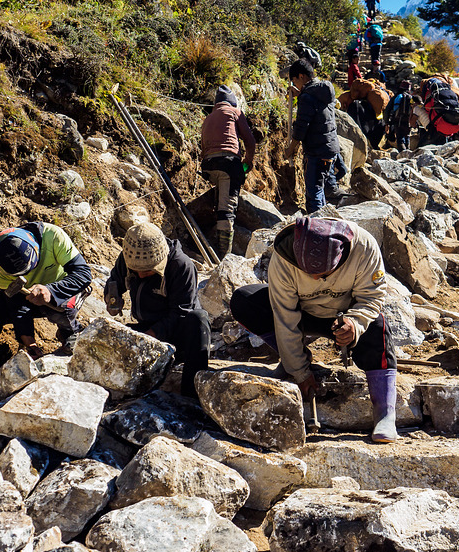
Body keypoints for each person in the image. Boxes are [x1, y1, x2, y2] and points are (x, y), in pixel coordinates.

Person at [230, 216, 399, 442]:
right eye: (307, 271)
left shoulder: (364, 247)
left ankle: (385, 413)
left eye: (323, 274)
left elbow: (372, 297)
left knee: (378, 326)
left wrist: (354, 324)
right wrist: (299, 371)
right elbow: (285, 316)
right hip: (303, 314)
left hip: (344, 316)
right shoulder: (284, 256)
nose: (314, 278)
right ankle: (291, 359)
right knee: (245, 301)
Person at [0, 222, 92, 379]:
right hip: (29, 296)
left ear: (35, 247)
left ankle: (70, 331)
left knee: (59, 306)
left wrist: (51, 291)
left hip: (65, 288)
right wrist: (27, 338)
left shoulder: (53, 236)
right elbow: (15, 303)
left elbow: (83, 274)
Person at [104, 222, 211, 398]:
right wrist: (111, 298)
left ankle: (191, 396)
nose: (140, 275)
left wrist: (148, 338)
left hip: (179, 333)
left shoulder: (181, 266)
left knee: (199, 319)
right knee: (107, 335)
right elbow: (115, 280)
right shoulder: (129, 256)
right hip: (147, 326)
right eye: (136, 270)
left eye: (147, 271)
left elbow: (180, 313)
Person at [200, 85, 257, 257]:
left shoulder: (208, 118)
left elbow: (203, 148)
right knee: (227, 209)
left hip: (208, 165)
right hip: (228, 163)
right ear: (232, 102)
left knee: (221, 194)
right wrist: (248, 160)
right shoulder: (234, 112)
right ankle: (225, 255)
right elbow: (250, 141)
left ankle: (214, 230)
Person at [287, 59, 341, 214]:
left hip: (317, 151)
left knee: (314, 191)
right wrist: (300, 94)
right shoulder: (323, 90)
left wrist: (291, 149)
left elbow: (301, 127)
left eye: (294, 80)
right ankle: (323, 220)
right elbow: (316, 107)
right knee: (319, 188)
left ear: (301, 76)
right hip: (329, 148)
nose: (295, 84)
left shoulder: (307, 97)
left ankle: (317, 224)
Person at [388, 81, 413, 151]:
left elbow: (388, 109)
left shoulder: (397, 96)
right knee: (407, 136)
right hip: (408, 120)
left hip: (398, 120)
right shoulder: (411, 97)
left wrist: (387, 122)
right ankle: (408, 151)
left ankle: (402, 152)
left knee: (400, 137)